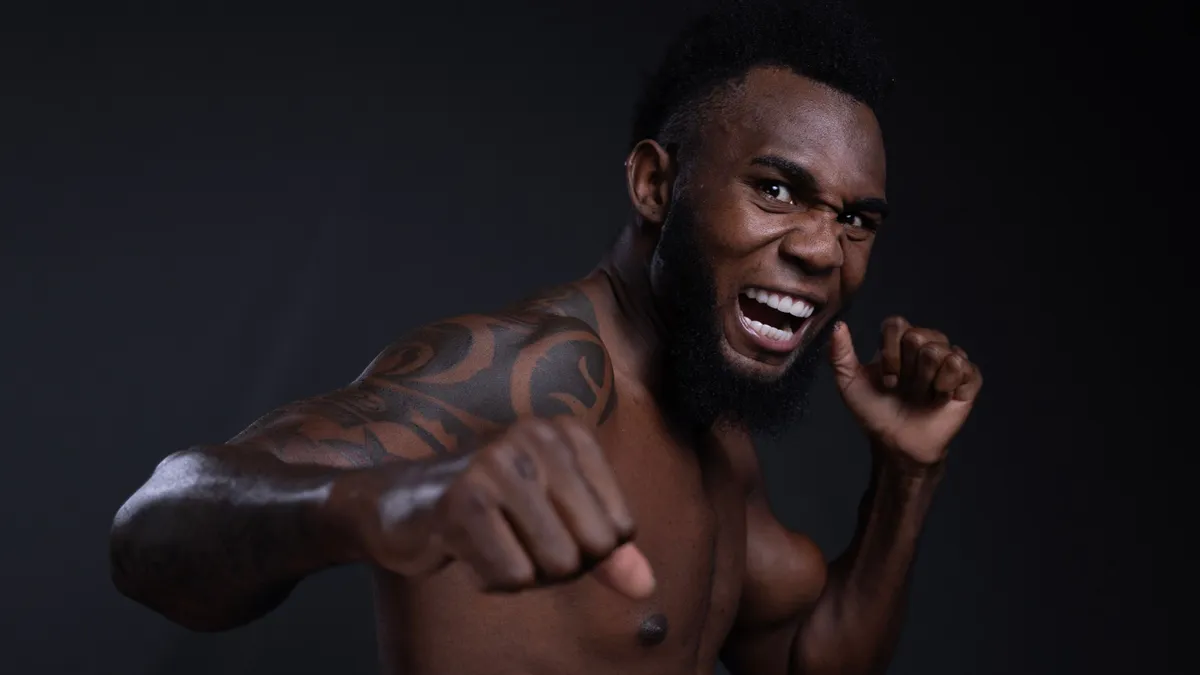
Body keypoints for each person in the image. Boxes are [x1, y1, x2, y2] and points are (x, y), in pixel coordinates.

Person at [109, 1, 982, 673]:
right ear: (655, 185)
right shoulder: (532, 370)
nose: (823, 249)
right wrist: (387, 501)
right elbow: (150, 531)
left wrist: (908, 473)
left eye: (856, 218)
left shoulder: (716, 432)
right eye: (777, 190)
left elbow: (802, 661)